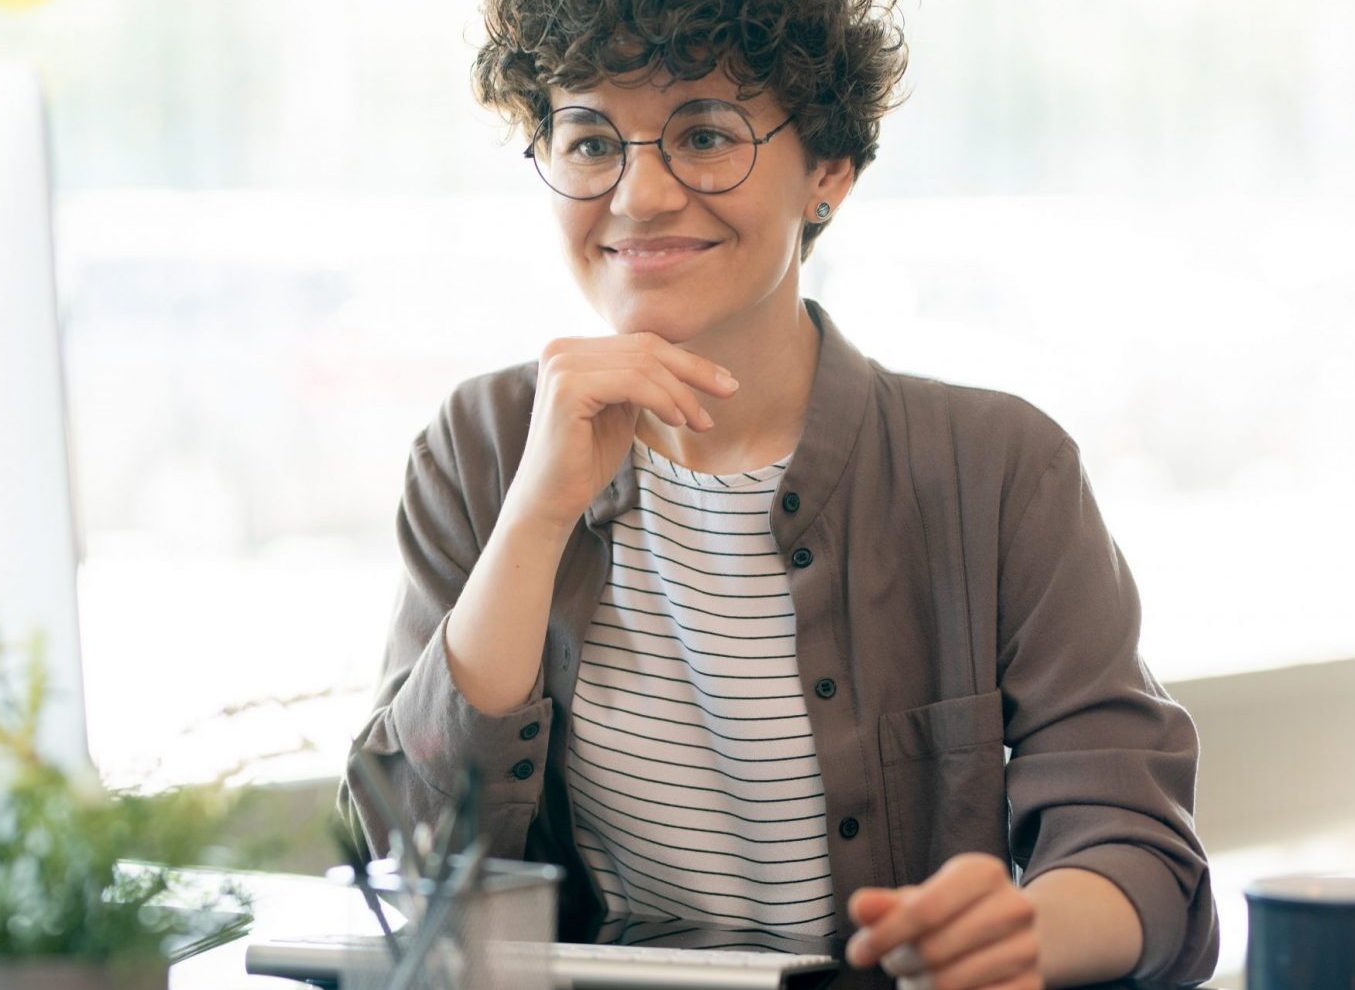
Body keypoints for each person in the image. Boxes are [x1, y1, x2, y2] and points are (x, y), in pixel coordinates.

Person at [339, 2, 1218, 986]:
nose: (639, 196)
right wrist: (535, 520)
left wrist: (1018, 933)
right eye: (591, 140)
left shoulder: (998, 467)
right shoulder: (481, 448)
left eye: (705, 136)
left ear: (828, 172)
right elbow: (400, 853)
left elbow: (1136, 847)